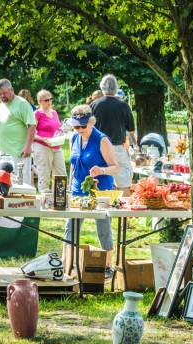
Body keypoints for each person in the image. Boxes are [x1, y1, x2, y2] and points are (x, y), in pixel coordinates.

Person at [63, 104, 120, 271]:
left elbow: (116, 167)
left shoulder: (102, 140)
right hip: (77, 189)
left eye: (82, 126)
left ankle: (107, 267)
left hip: (101, 191)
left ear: (91, 122)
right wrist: (69, 185)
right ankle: (67, 264)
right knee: (70, 227)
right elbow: (73, 164)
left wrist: (101, 170)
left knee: (103, 229)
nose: (79, 129)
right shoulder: (74, 138)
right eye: (76, 126)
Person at [91, 74, 136, 195]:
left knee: (100, 181)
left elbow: (89, 128)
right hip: (117, 147)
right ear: (116, 88)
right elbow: (131, 129)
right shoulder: (123, 105)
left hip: (98, 148)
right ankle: (125, 212)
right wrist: (135, 146)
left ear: (102, 88)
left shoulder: (95, 104)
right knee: (124, 182)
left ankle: (103, 207)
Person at [0, 79, 37, 185]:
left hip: (18, 153)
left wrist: (28, 146)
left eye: (4, 93)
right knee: (4, 185)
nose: (2, 96)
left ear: (12, 90)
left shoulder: (22, 104)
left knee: (22, 185)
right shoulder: (0, 105)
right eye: (0, 94)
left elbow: (32, 125)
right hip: (2, 154)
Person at [33, 89, 66, 193]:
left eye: (50, 99)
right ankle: (45, 200)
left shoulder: (54, 112)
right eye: (46, 100)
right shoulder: (37, 113)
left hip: (56, 145)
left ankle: (60, 198)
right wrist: (43, 139)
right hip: (42, 146)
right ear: (40, 101)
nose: (49, 102)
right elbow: (31, 134)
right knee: (44, 174)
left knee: (61, 173)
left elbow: (58, 128)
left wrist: (62, 132)